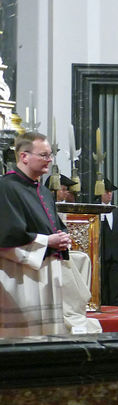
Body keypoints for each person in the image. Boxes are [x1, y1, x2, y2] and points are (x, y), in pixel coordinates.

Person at [0, 132, 73, 335]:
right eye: (44, 155)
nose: (49, 160)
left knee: (48, 334)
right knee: (24, 336)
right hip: (20, 275)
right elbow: (8, 234)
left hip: (46, 271)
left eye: (50, 155)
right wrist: (48, 240)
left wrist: (62, 236)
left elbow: (52, 224)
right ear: (24, 156)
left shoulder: (42, 190)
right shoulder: (6, 187)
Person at [99, 178, 118, 305]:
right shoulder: (95, 210)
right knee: (103, 285)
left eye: (111, 192)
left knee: (115, 285)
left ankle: (115, 306)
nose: (109, 195)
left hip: (116, 255)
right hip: (102, 254)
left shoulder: (117, 211)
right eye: (107, 192)